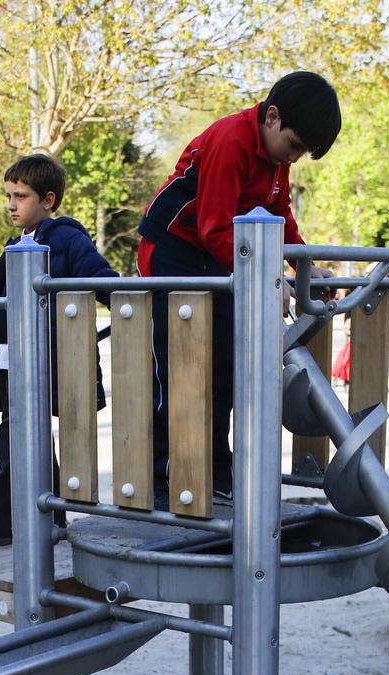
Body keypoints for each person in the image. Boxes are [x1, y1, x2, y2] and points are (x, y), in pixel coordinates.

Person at [137, 70, 340, 499]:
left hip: (220, 256)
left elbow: (278, 212)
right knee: (179, 364)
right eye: (295, 145)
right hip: (174, 251)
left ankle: (215, 467)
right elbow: (214, 226)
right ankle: (161, 471)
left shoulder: (275, 159)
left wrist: (304, 265)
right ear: (271, 117)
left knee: (226, 365)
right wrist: (271, 279)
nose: (295, 158)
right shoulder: (230, 140)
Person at [0, 152, 116, 549]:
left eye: (20, 196)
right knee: (26, 437)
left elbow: (104, 281)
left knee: (18, 438)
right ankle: (49, 517)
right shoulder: (17, 242)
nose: (10, 204)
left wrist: (136, 304)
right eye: (8, 195)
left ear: (48, 200)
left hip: (45, 359)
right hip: (11, 358)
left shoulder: (66, 238)